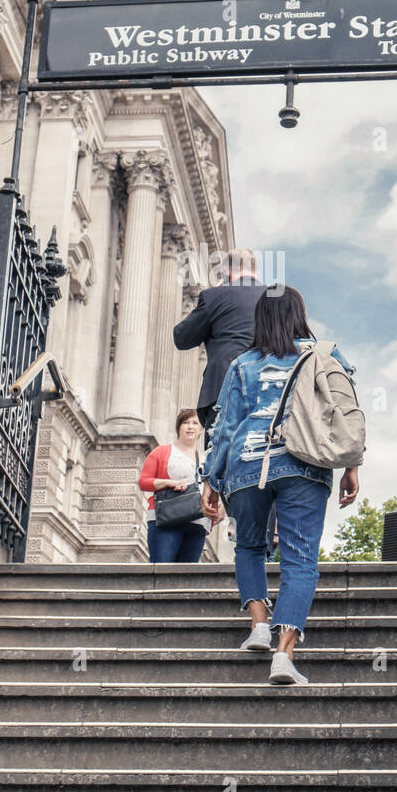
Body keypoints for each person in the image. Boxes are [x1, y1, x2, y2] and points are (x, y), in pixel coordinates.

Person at [200, 286, 360, 685]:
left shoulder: (242, 364)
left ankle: (258, 625)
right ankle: (283, 656)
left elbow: (224, 427)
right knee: (300, 559)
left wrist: (211, 480)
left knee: (249, 546)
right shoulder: (324, 354)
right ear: (299, 314)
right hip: (304, 463)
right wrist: (352, 466)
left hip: (246, 466)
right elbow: (346, 412)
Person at [173, 249, 266, 435]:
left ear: (227, 270)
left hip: (223, 389)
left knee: (220, 459)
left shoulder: (215, 296)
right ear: (255, 270)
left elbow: (182, 338)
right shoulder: (275, 297)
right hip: (265, 391)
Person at [138, 409, 210, 563]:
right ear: (178, 427)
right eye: (185, 423)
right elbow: (144, 482)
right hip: (165, 519)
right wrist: (168, 483)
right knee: (162, 570)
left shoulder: (206, 460)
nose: (190, 427)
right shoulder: (161, 452)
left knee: (186, 578)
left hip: (196, 522)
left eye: (195, 423)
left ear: (200, 430)